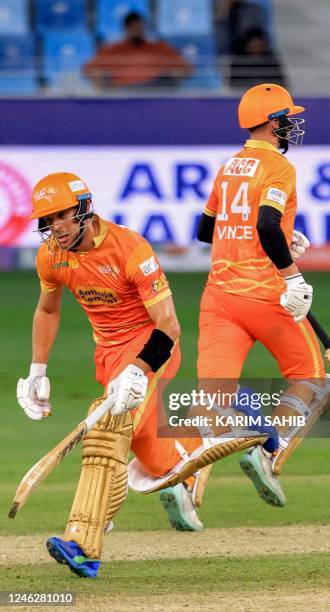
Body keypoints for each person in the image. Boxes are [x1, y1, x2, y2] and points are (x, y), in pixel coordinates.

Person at [17, 171, 276, 577]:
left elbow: (169, 325)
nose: (55, 227)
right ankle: (237, 416)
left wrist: (139, 369)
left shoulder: (129, 247)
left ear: (84, 208)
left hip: (150, 349)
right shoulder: (51, 255)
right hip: (108, 358)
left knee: (106, 432)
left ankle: (84, 542)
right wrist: (36, 371)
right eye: (47, 221)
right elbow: (47, 310)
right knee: (160, 465)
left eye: (62, 216)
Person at [159, 83, 330, 530]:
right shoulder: (277, 165)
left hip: (218, 299)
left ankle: (183, 484)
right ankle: (267, 450)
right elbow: (264, 222)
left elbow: (206, 230)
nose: (293, 125)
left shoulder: (228, 167)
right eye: (288, 118)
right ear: (273, 122)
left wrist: (283, 237)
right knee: (311, 378)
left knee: (212, 399)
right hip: (266, 295)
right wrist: (292, 273)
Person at [84, 11, 192, 89]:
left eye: (139, 27)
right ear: (126, 29)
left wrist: (174, 80)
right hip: (123, 92)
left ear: (144, 27)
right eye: (133, 27)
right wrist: (103, 85)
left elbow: (185, 68)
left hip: (155, 91)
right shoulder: (112, 49)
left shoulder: (160, 47)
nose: (136, 30)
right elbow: (90, 69)